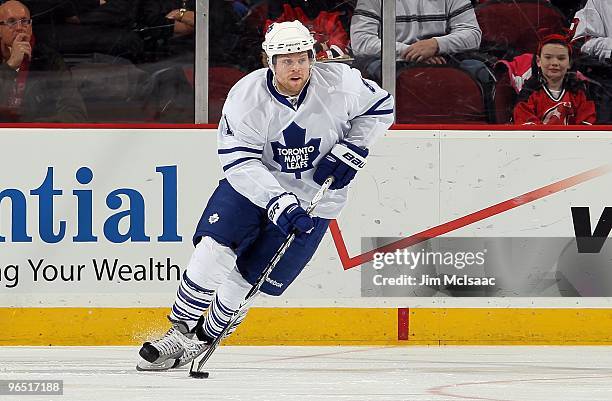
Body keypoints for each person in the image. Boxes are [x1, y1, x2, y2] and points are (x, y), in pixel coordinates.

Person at [136, 20, 394, 371]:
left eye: (302, 58)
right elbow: (239, 161)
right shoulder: (247, 95)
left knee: (247, 280)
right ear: (268, 62)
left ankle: (203, 339)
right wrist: (278, 201)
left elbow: (381, 108)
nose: (296, 67)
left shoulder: (341, 84)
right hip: (252, 189)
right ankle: (179, 330)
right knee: (214, 247)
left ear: (312, 57)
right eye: (286, 60)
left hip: (315, 201)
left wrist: (353, 148)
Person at [0, 0, 86, 122]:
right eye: (11, 22)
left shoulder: (49, 60)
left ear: (30, 26)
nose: (19, 28)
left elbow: (76, 113)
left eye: (25, 21)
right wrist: (10, 66)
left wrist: (32, 128)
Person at [350, 0, 482, 66]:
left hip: (444, 60)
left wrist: (435, 45)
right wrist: (412, 52)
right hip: (390, 65)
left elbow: (472, 35)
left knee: (478, 69)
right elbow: (361, 42)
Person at [513, 31, 596, 125]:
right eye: (548, 57)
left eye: (561, 58)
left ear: (570, 63)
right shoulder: (528, 93)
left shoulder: (579, 92)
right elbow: (528, 130)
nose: (555, 63)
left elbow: (587, 128)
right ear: (538, 61)